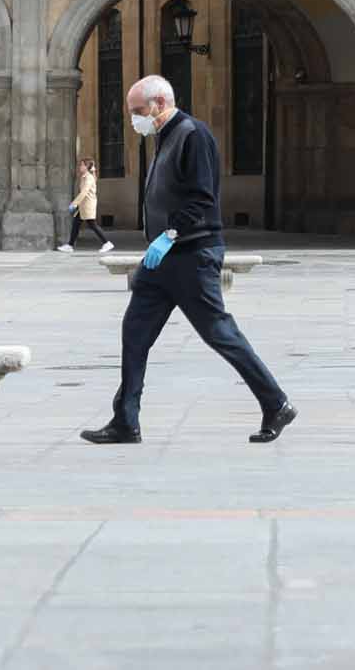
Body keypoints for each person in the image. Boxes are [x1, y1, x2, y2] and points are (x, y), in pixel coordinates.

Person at [81, 75, 295, 445]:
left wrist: (170, 234)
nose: (135, 120)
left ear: (160, 103)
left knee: (219, 333)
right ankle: (125, 421)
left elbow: (202, 198)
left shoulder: (193, 135)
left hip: (192, 254)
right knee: (134, 333)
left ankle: (276, 403)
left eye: (138, 111)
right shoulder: (165, 137)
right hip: (161, 261)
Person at [57, 158, 115, 253]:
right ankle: (70, 245)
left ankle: (107, 243)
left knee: (92, 225)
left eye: (82, 165)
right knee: (76, 224)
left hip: (87, 205)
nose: (80, 167)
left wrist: (74, 203)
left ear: (87, 167)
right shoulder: (85, 176)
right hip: (83, 206)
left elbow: (84, 192)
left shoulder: (88, 177)